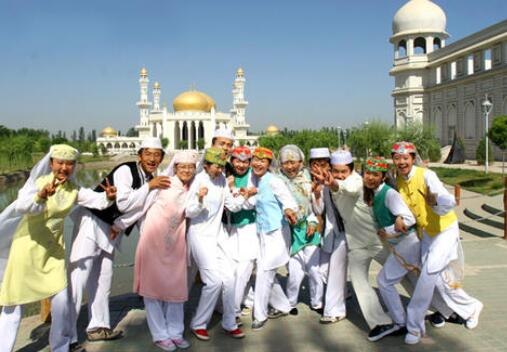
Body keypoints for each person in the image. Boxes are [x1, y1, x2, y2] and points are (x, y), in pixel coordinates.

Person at [0, 144, 116, 352]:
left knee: (62, 302)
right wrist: (42, 195)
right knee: (13, 304)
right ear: (51, 163)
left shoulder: (73, 189)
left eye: (69, 164)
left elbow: (96, 201)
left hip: (52, 253)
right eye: (60, 163)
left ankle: (61, 347)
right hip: (27, 249)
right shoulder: (38, 183)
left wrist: (108, 196)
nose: (64, 168)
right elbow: (22, 206)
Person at [69, 137, 170, 343]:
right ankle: (65, 336)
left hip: (111, 230)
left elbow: (140, 211)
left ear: (161, 158)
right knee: (79, 278)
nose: (152, 158)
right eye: (148, 154)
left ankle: (98, 327)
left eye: (157, 155)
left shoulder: (150, 178)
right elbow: (124, 203)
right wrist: (149, 186)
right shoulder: (127, 170)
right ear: (139, 155)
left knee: (102, 278)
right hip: (93, 222)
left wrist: (120, 225)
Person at [391, 141, 483, 345]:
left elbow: (448, 200)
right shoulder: (398, 179)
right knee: (440, 281)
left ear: (413, 159)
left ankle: (414, 327)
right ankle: (469, 307)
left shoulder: (426, 175)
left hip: (445, 230)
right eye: (397, 158)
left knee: (429, 272)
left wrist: (436, 202)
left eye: (405, 158)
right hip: (426, 234)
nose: (401, 162)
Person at [111, 150, 198, 351]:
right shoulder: (163, 183)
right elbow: (140, 207)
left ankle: (175, 333)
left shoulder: (190, 188)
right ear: (175, 167)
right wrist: (119, 225)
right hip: (153, 243)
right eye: (182, 166)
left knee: (176, 290)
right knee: (153, 292)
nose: (186, 170)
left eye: (190, 167)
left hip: (175, 245)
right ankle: (160, 335)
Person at [312, 149, 401, 341]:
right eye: (335, 171)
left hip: (377, 241)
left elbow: (348, 189)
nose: (339, 175)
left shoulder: (355, 181)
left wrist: (334, 183)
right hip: (356, 244)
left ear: (352, 170)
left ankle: (439, 306)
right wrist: (325, 187)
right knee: (360, 284)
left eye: (343, 171)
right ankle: (381, 322)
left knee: (407, 275)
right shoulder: (328, 185)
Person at [186, 147, 254, 341]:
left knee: (230, 278)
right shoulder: (198, 181)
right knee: (213, 281)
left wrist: (245, 195)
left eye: (222, 166)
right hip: (200, 236)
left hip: (218, 235)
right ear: (206, 165)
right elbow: (189, 212)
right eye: (216, 166)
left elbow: (231, 205)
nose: (219, 169)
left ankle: (229, 322)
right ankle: (199, 324)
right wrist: (199, 199)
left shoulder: (223, 180)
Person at [362, 156, 418, 336]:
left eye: (375, 174)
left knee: (384, 281)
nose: (370, 177)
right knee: (418, 280)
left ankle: (400, 322)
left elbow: (409, 219)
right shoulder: (374, 194)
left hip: (408, 243)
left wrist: (386, 230)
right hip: (400, 244)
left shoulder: (389, 194)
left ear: (383, 176)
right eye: (367, 173)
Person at [249, 147, 298, 330]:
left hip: (276, 233)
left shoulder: (274, 181)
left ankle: (259, 315)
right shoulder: (256, 180)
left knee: (264, 273)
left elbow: (288, 200)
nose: (258, 163)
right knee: (264, 271)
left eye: (263, 161)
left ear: (269, 164)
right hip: (262, 233)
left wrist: (289, 210)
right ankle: (284, 305)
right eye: (256, 159)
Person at [277, 145, 323, 315]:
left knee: (314, 271)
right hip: (290, 232)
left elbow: (315, 206)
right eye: (285, 163)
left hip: (310, 228)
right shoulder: (276, 180)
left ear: (301, 162)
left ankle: (317, 303)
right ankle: (290, 303)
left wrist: (312, 222)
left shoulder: (309, 177)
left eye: (293, 162)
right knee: (295, 274)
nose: (290, 166)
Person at [309, 147, 348, 324]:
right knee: (325, 270)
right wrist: (317, 193)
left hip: (355, 233)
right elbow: (319, 210)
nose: (319, 169)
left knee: (334, 269)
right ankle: (341, 295)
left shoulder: (350, 181)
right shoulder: (320, 184)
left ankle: (334, 310)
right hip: (335, 233)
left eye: (323, 164)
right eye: (315, 165)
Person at [225, 146, 259, 322]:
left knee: (244, 269)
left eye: (245, 161)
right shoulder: (225, 177)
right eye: (237, 160)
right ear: (232, 161)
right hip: (230, 229)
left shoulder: (254, 178)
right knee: (230, 271)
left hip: (249, 229)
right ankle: (246, 300)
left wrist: (233, 192)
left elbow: (249, 204)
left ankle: (234, 310)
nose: (241, 165)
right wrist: (237, 192)